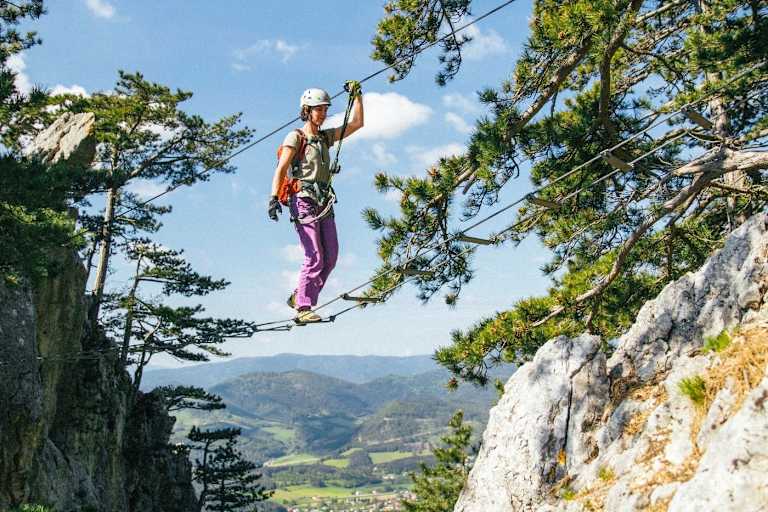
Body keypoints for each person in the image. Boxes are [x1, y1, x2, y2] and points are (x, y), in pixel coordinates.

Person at [268, 81, 364, 323]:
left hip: (324, 201)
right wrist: (272, 197)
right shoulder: (296, 137)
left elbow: (356, 124)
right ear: (306, 110)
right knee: (315, 255)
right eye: (318, 109)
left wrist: (358, 96)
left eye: (324, 109)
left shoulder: (324, 138)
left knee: (330, 256)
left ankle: (299, 295)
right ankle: (303, 308)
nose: (322, 113)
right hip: (303, 199)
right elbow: (282, 168)